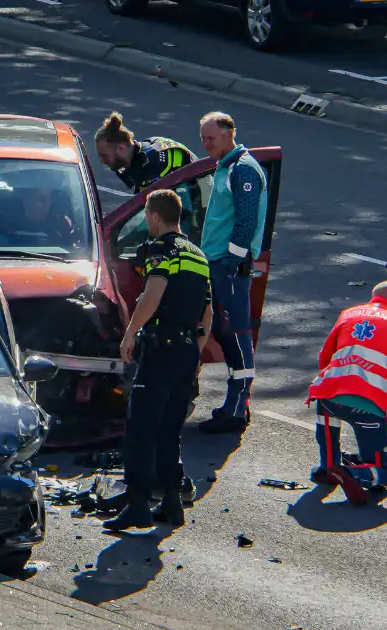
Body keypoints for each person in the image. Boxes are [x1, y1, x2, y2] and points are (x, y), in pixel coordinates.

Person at [104, 189, 212, 531]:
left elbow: (154, 291)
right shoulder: (198, 255)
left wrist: (131, 332)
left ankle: (137, 504)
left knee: (140, 428)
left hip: (162, 346)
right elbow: (208, 311)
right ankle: (170, 503)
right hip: (186, 349)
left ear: (153, 217)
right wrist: (197, 350)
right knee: (169, 430)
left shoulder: (162, 249)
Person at [305, 282, 387, 505]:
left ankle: (327, 467)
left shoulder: (347, 314)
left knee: (328, 418)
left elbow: (324, 359)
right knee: (383, 470)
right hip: (369, 405)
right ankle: (357, 475)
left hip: (329, 396)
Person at [195, 111, 267, 434]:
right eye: (203, 138)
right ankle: (236, 405)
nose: (206, 144)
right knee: (226, 334)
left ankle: (237, 409)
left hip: (229, 267)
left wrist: (231, 262)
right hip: (219, 264)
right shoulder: (227, 167)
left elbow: (246, 220)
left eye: (211, 137)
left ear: (229, 133)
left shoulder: (244, 169)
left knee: (236, 334)